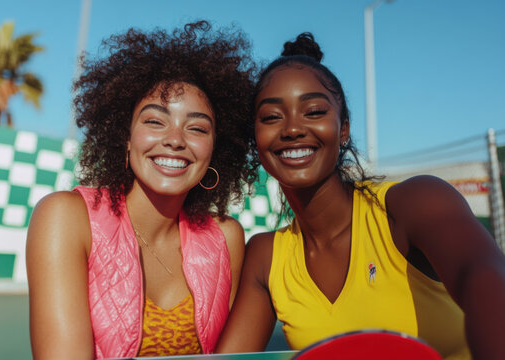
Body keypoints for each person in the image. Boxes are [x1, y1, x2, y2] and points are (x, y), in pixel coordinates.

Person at [216, 33, 505, 360]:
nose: (292, 129)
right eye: (271, 117)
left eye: (313, 111)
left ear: (343, 129)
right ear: (255, 137)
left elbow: (486, 278)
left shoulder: (413, 204)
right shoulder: (266, 257)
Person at [26, 21, 259, 359]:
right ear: (126, 137)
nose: (175, 140)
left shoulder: (226, 237)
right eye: (154, 121)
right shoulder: (65, 217)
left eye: (196, 128)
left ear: (215, 151)